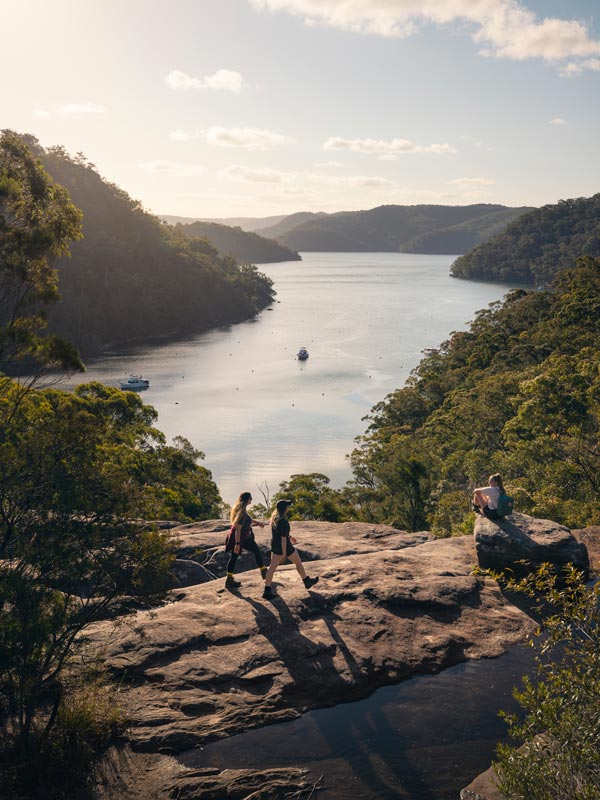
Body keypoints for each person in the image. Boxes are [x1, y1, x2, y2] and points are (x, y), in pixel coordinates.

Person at [262, 499, 319, 600]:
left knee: (272, 568)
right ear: (284, 509)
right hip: (285, 547)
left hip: (275, 546)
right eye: (287, 506)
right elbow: (283, 539)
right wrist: (284, 554)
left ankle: (267, 590)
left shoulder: (274, 519)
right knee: (298, 563)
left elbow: (282, 534)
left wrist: (290, 537)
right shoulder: (283, 522)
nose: (289, 507)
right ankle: (306, 581)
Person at [225, 491, 267, 589]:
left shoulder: (240, 509)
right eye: (250, 498)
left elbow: (247, 519)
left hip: (242, 537)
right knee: (256, 551)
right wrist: (237, 543)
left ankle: (229, 580)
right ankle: (264, 571)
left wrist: (257, 522)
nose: (252, 500)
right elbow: (238, 529)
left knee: (235, 557)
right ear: (247, 499)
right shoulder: (242, 512)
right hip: (241, 538)